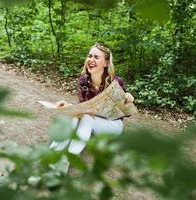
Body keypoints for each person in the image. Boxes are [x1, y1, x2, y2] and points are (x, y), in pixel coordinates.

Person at [49, 43, 134, 172]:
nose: (91, 60)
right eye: (90, 56)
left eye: (96, 57)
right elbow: (83, 106)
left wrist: (128, 99)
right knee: (77, 116)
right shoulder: (83, 81)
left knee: (87, 116)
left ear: (106, 63)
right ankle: (54, 152)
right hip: (91, 121)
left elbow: (126, 113)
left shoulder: (115, 82)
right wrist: (69, 106)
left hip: (112, 125)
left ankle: (67, 160)